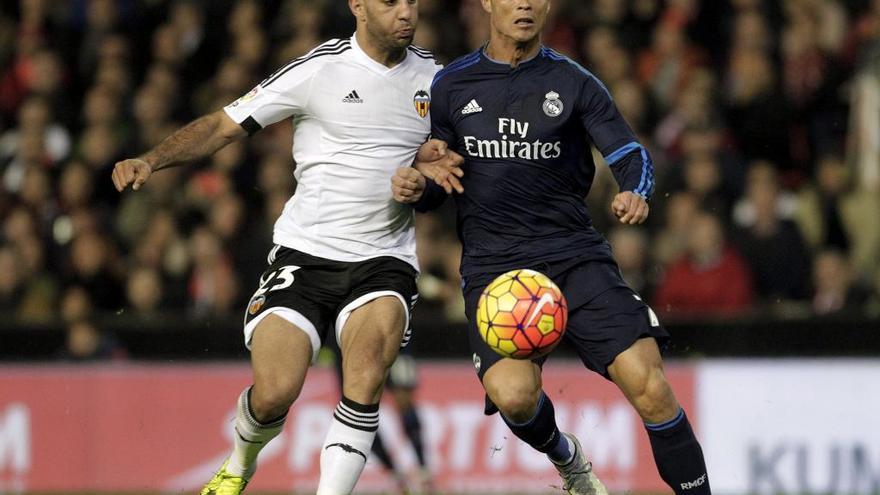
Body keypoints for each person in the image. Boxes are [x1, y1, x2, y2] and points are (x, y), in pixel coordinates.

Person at [111, 1, 456, 493]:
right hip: (304, 254)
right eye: (391, 1)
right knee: (274, 393)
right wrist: (152, 159)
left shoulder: (438, 79)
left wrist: (427, 175)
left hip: (384, 260)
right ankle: (240, 461)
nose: (407, 12)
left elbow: (450, 160)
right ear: (357, 5)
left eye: (412, 1)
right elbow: (224, 125)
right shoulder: (318, 70)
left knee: (365, 375)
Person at [391, 0, 711, 494]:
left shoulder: (575, 82)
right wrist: (421, 186)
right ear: (488, 4)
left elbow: (629, 152)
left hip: (574, 255)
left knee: (650, 386)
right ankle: (567, 457)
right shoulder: (450, 85)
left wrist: (634, 190)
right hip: (496, 268)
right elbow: (441, 181)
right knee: (514, 397)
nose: (525, 4)